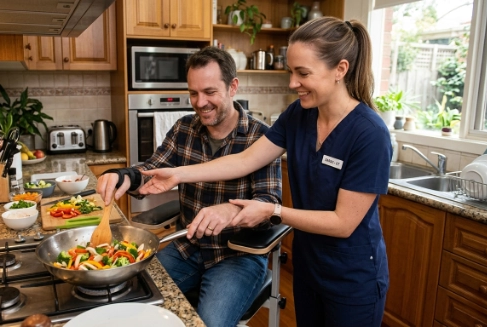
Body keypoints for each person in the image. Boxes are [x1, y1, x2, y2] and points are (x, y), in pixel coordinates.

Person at [138, 17, 391, 327]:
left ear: (340, 69)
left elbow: (343, 223)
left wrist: (272, 210)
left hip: (353, 276)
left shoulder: (369, 134)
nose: (292, 83)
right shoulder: (299, 114)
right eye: (291, 72)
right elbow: (245, 160)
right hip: (309, 264)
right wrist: (178, 175)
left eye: (303, 73)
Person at [96, 46, 282, 327]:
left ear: (233, 87)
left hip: (237, 256)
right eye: (193, 93)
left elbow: (268, 203)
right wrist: (123, 176)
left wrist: (229, 212)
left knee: (208, 322)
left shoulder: (261, 137)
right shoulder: (184, 128)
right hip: (187, 246)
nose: (200, 102)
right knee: (128, 303)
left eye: (209, 92)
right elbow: (152, 171)